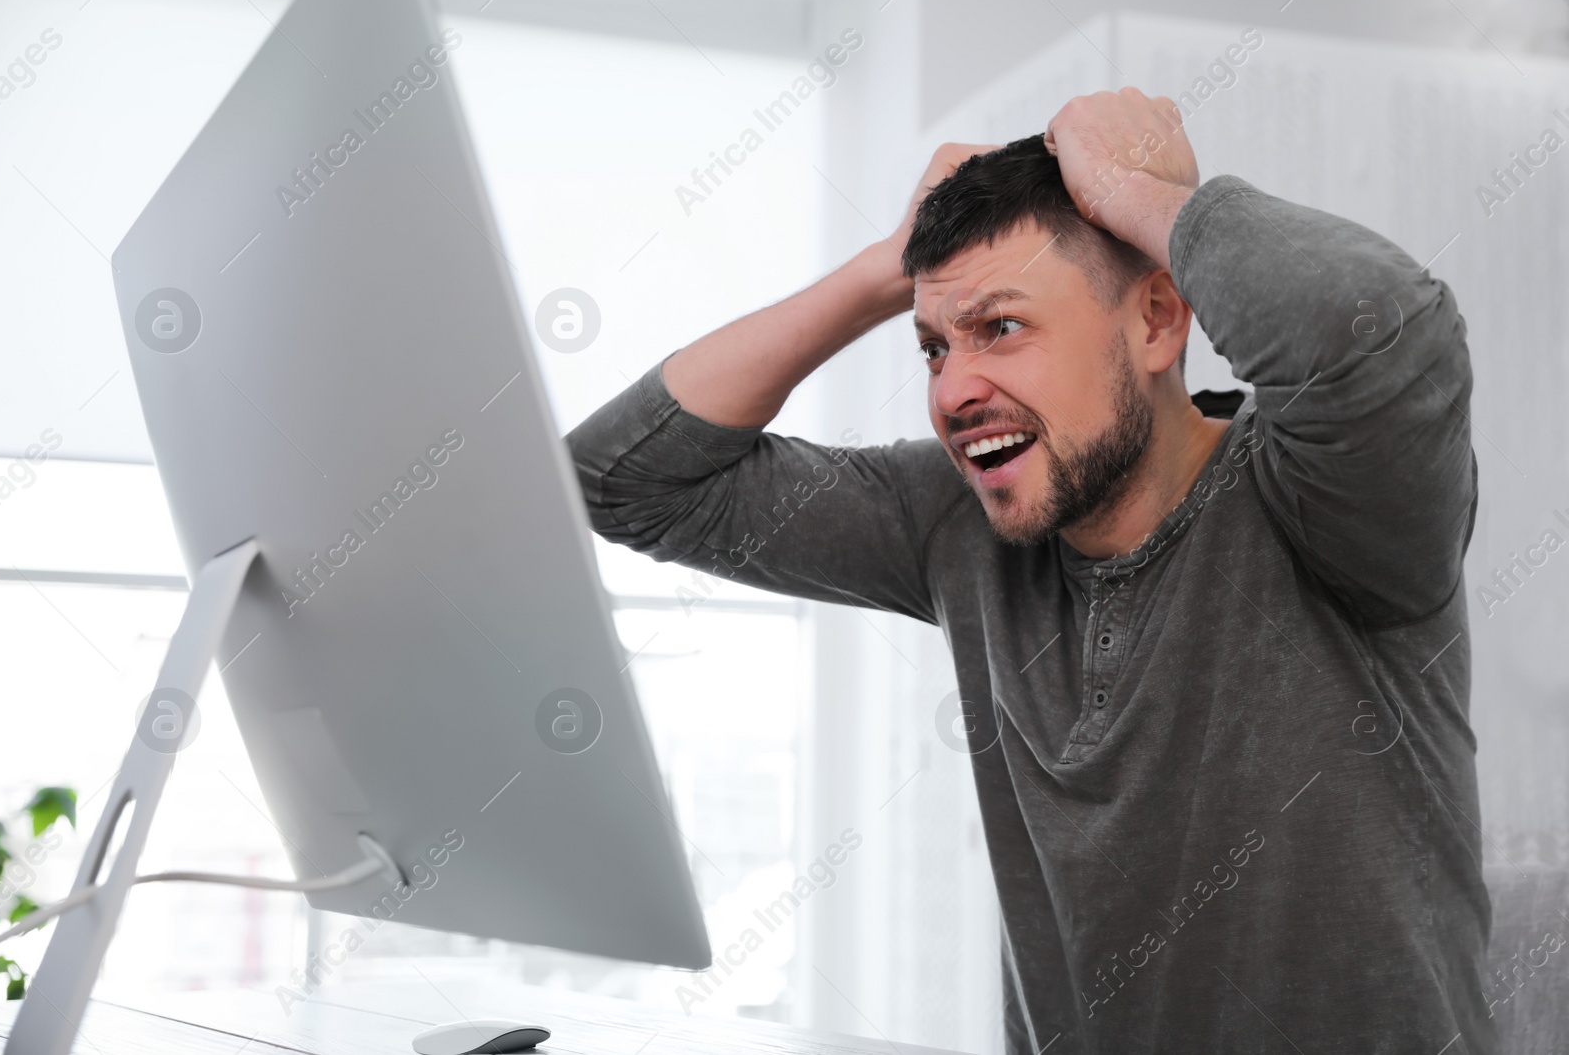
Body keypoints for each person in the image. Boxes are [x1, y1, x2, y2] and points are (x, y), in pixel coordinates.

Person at [566, 88, 1486, 1052]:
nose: (954, 387)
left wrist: (1133, 196)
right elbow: (620, 481)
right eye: (932, 346)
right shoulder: (957, 523)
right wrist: (892, 265)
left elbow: (1376, 330)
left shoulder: (1336, 499)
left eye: (1001, 327)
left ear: (1159, 323)